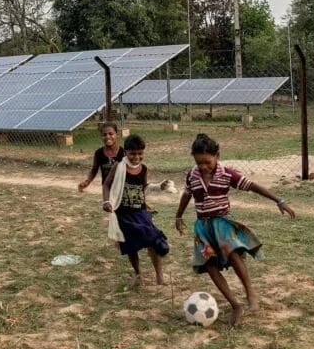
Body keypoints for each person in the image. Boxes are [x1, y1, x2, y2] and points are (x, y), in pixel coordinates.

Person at [174, 133, 296, 326]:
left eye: (207, 162)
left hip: (222, 224)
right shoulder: (192, 175)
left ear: (217, 156)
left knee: (232, 254)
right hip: (203, 228)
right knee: (210, 267)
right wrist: (178, 215)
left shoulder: (227, 174)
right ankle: (235, 305)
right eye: (199, 163)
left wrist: (279, 200)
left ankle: (250, 293)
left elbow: (253, 186)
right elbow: (187, 195)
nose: (204, 167)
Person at [103, 134, 169, 286]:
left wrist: (159, 186)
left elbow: (144, 187)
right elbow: (106, 184)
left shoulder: (143, 169)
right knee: (131, 246)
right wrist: (106, 201)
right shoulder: (119, 167)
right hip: (123, 214)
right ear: (125, 152)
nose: (136, 157)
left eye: (140, 153)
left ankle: (159, 274)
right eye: (133, 153)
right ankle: (138, 274)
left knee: (152, 240)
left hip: (140, 212)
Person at [78, 122, 124, 192]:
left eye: (111, 134)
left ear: (117, 135)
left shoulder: (124, 152)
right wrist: (87, 182)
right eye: (104, 135)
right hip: (107, 189)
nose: (108, 137)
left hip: (122, 188)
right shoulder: (99, 153)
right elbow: (94, 170)